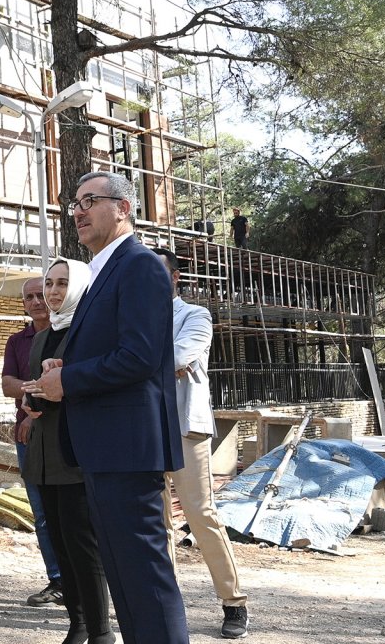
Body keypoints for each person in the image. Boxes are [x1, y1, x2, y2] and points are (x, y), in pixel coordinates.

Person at [24, 171, 187, 644]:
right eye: (73, 202)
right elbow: (114, 348)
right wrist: (65, 364)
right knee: (126, 581)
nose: (77, 210)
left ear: (123, 208)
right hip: (101, 449)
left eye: (89, 200)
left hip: (128, 449)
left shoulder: (139, 265)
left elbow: (139, 356)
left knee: (145, 579)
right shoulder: (102, 271)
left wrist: (68, 380)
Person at [154, 248, 250, 639]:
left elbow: (180, 355)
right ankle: (167, 601)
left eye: (158, 273)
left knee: (200, 513)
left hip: (185, 427)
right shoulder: (133, 319)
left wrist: (134, 360)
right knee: (156, 521)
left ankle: (233, 601)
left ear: (174, 278)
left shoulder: (194, 315)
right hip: (146, 428)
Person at [23, 258, 114, 644]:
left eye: (62, 283)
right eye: (50, 284)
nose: (54, 291)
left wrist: (65, 381)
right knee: (60, 545)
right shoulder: (44, 335)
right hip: (45, 451)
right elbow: (42, 389)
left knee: (83, 547)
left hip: (77, 453)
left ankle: (101, 632)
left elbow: (99, 386)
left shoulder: (90, 331)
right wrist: (32, 400)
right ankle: (77, 625)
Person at [0, 277, 63, 607]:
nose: (37, 301)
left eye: (43, 294)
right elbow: (7, 385)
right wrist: (40, 388)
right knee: (41, 511)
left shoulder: (67, 334)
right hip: (27, 437)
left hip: (61, 435)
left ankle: (82, 579)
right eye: (30, 297)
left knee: (70, 508)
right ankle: (57, 580)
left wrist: (31, 405)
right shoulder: (16, 341)